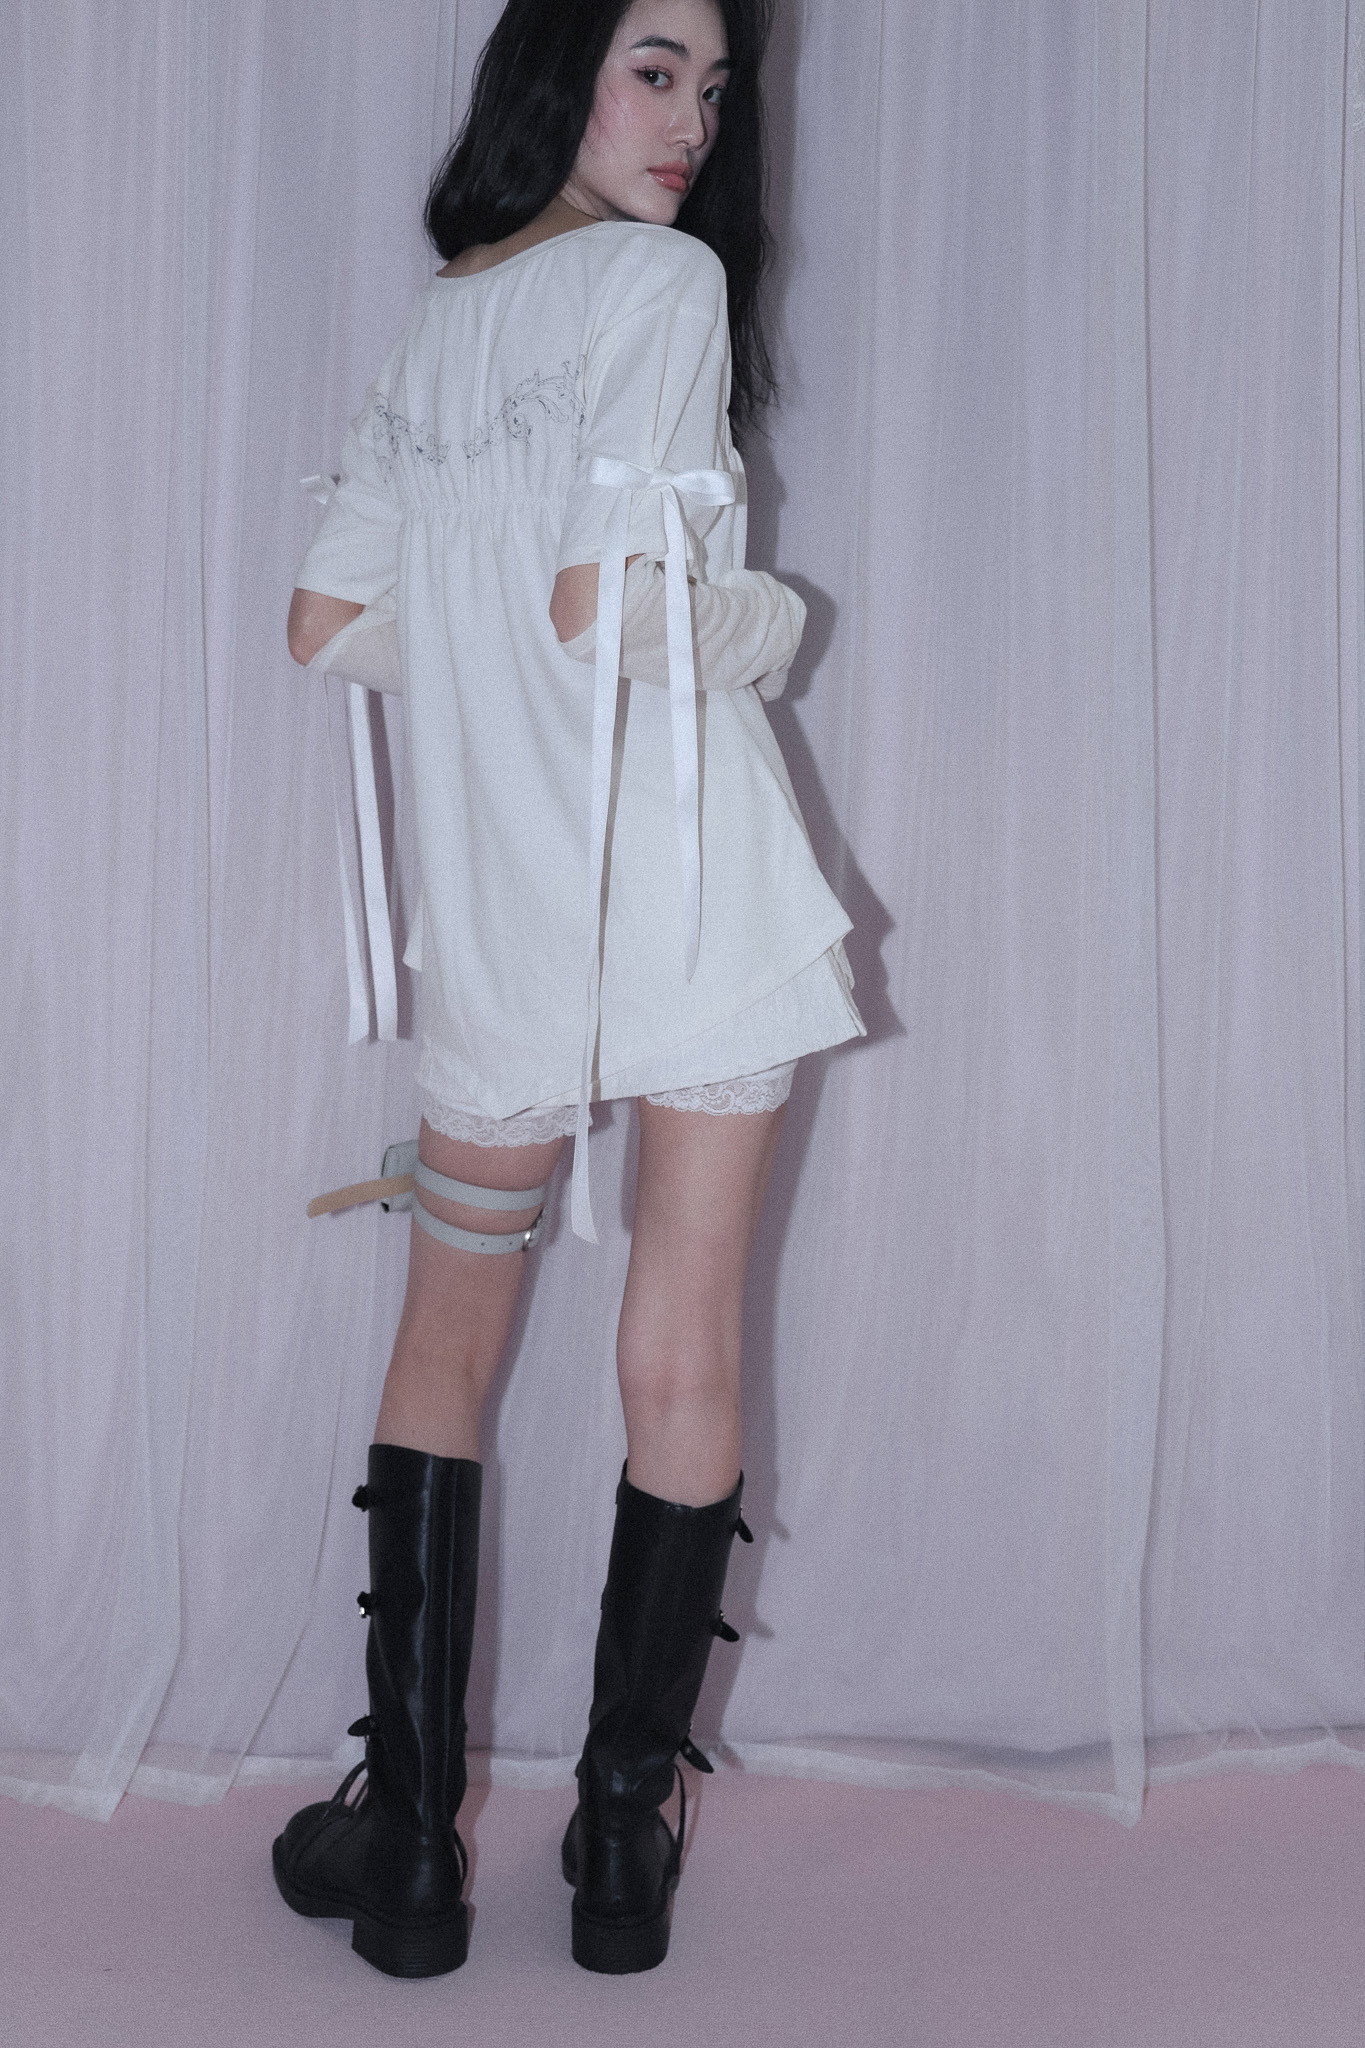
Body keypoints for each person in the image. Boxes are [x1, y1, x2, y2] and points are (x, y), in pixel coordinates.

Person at [272, 0, 863, 1981]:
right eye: (655, 67)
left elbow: (326, 623)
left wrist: (484, 648)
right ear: (559, 66)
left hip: (509, 910)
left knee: (443, 1348)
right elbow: (617, 609)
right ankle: (620, 1844)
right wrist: (772, 619)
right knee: (677, 1346)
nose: (692, 121)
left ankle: (408, 1847)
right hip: (692, 888)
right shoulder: (661, 284)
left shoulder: (441, 320)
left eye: (713, 86)